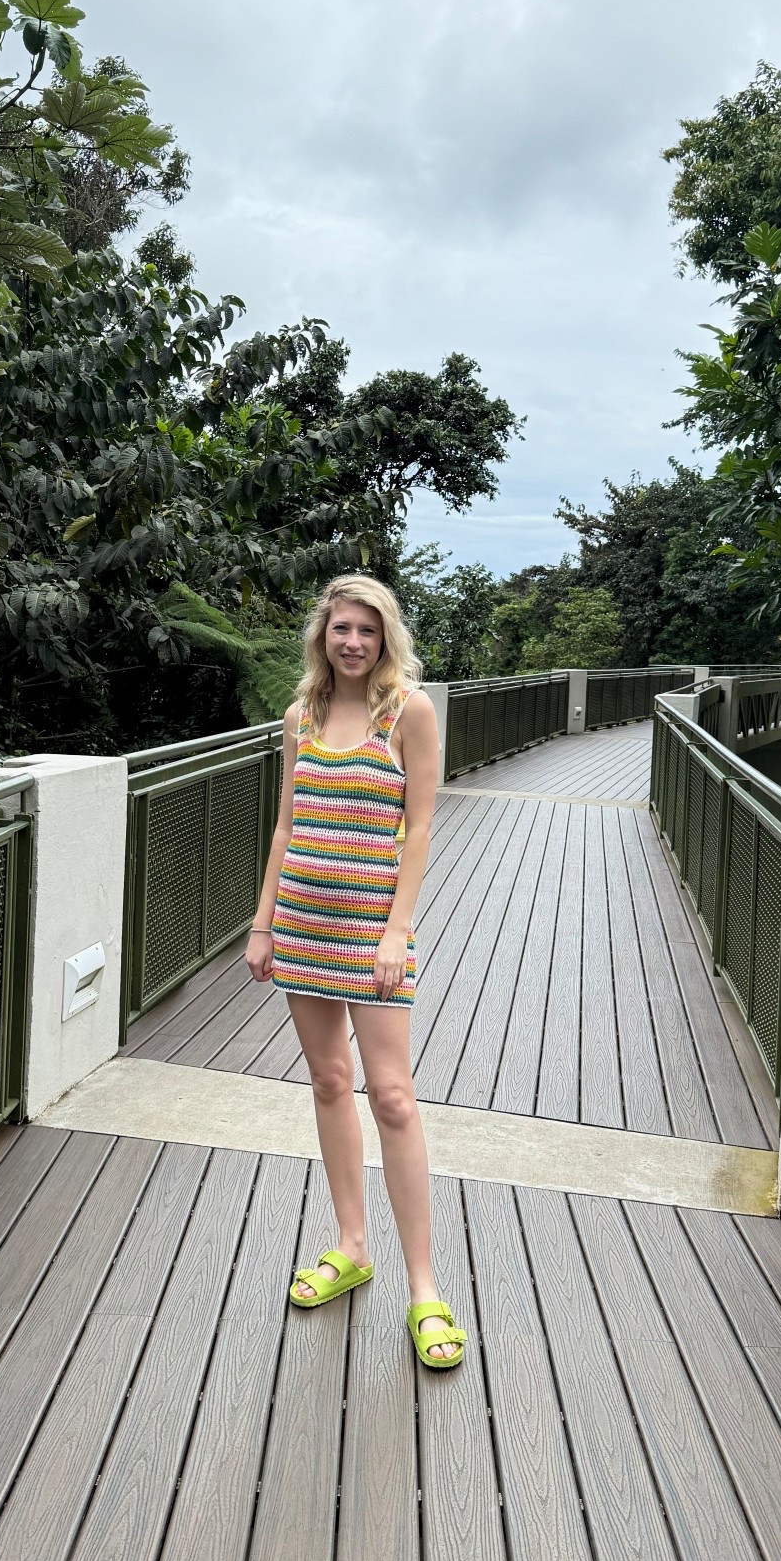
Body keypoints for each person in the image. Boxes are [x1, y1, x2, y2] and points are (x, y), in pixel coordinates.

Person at [245, 574, 466, 1368]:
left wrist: (395, 931)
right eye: (341, 628)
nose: (353, 643)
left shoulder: (406, 711)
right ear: (322, 635)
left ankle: (423, 1287)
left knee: (395, 1098)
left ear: (385, 638)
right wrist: (264, 921)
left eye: (367, 631)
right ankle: (351, 1243)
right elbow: (285, 825)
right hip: (301, 926)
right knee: (330, 1083)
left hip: (373, 932)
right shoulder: (299, 716)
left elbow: (421, 826)